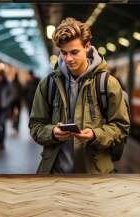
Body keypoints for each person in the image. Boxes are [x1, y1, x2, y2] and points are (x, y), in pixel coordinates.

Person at [29, 17, 130, 174]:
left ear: (87, 47)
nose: (68, 59)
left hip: (93, 175)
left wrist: (95, 135)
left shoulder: (107, 84)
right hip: (55, 173)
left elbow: (121, 128)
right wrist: (52, 132)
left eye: (74, 52)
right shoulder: (48, 85)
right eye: (64, 53)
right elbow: (35, 126)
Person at [0, 69, 15, 150]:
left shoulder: (7, 83)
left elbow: (12, 94)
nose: (0, 77)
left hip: (3, 108)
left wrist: (6, 102)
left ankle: (1, 142)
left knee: (2, 124)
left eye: (1, 76)